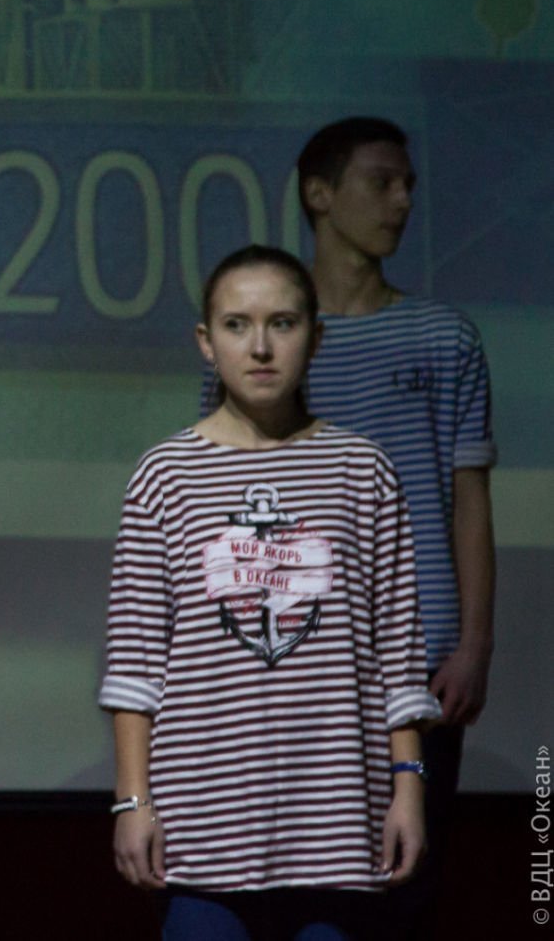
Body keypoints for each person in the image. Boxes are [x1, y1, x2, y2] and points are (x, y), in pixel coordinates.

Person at [112, 244, 442, 938]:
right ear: (206, 342)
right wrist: (133, 801)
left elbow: (399, 652)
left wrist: (408, 785)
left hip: (338, 825)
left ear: (316, 338)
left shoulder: (362, 469)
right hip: (200, 828)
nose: (260, 347)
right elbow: (136, 660)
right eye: (237, 325)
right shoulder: (165, 475)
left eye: (282, 324)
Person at [290, 118, 496, 938]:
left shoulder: (445, 335)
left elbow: (469, 500)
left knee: (405, 887)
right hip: (297, 659)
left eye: (408, 184)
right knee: (307, 888)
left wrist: (474, 645)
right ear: (319, 194)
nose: (402, 201)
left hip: (422, 660)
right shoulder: (271, 340)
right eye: (381, 182)